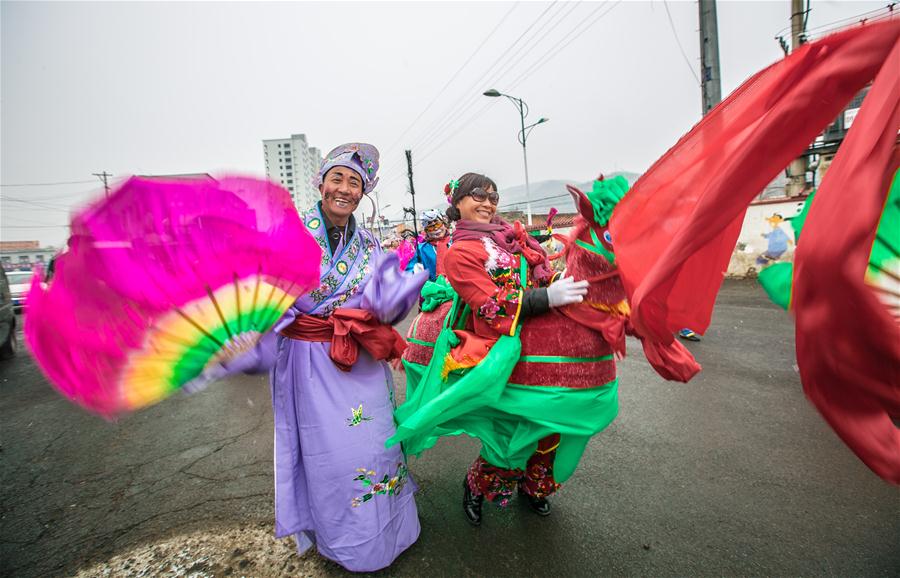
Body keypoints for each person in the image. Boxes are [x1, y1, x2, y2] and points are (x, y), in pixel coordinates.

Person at [230, 143, 427, 571]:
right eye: (337, 179)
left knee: (378, 445)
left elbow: (383, 303)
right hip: (310, 360)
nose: (344, 189)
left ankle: (391, 529)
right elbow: (265, 296)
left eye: (354, 183)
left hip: (361, 361)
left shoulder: (371, 243)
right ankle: (347, 542)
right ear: (320, 184)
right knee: (334, 457)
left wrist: (397, 295)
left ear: (362, 193)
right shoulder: (288, 236)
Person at [395, 172, 590, 525]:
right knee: (511, 432)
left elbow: (538, 277)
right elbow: (489, 307)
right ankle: (477, 485)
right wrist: (545, 297)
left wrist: (556, 281)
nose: (488, 203)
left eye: (493, 197)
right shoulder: (459, 253)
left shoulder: (510, 237)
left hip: (539, 343)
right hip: (498, 348)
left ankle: (535, 488)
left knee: (552, 422)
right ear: (456, 204)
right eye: (477, 195)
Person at [404, 208, 451, 281]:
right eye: (430, 227)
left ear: (444, 224)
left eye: (437, 224)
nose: (436, 229)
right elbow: (408, 273)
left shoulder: (455, 242)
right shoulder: (421, 249)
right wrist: (415, 272)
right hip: (434, 289)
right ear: (426, 231)